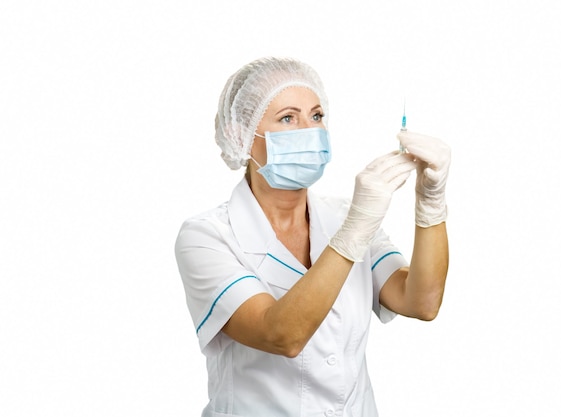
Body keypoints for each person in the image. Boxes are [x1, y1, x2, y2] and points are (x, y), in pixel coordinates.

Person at [175, 57, 450, 417]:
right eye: (288, 118)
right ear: (242, 134)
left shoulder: (343, 216)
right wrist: (355, 230)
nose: (311, 130)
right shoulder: (207, 237)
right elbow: (282, 335)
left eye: (317, 116)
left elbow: (421, 302)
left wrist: (431, 205)